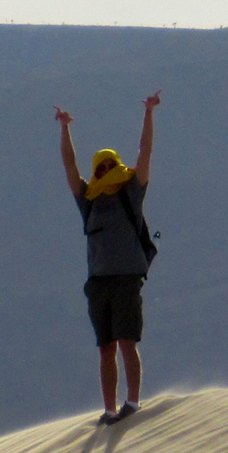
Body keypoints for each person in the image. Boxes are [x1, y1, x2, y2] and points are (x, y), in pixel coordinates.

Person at [55, 93, 159, 425]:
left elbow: (145, 154)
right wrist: (64, 128)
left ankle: (132, 403)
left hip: (127, 278)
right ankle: (110, 409)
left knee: (127, 342)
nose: (104, 170)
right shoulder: (88, 200)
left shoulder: (132, 193)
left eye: (109, 165)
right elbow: (69, 166)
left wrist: (148, 112)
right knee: (105, 348)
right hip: (98, 283)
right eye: (101, 167)